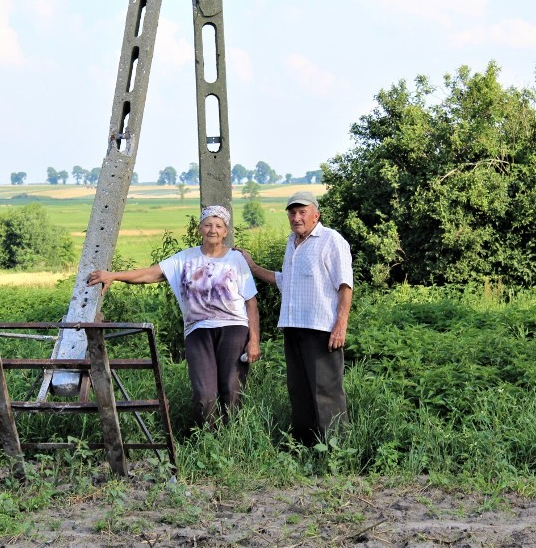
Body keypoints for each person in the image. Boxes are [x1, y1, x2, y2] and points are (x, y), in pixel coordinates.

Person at [87, 205, 260, 429]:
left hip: (234, 327)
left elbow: (251, 303)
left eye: (218, 226)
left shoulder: (235, 259)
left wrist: (254, 340)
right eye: (208, 224)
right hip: (198, 330)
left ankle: (233, 438)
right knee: (204, 392)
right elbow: (151, 273)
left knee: (232, 387)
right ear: (200, 228)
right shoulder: (185, 259)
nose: (213, 230)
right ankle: (208, 439)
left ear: (225, 231)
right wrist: (114, 275)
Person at [236, 191, 353, 446]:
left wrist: (340, 326)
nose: (296, 217)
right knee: (299, 391)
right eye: (292, 212)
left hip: (321, 328)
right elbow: (285, 281)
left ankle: (335, 450)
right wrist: (253, 268)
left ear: (315, 215)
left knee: (325, 392)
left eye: (302, 212)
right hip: (293, 327)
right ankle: (306, 447)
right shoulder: (292, 242)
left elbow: (345, 285)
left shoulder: (331, 240)